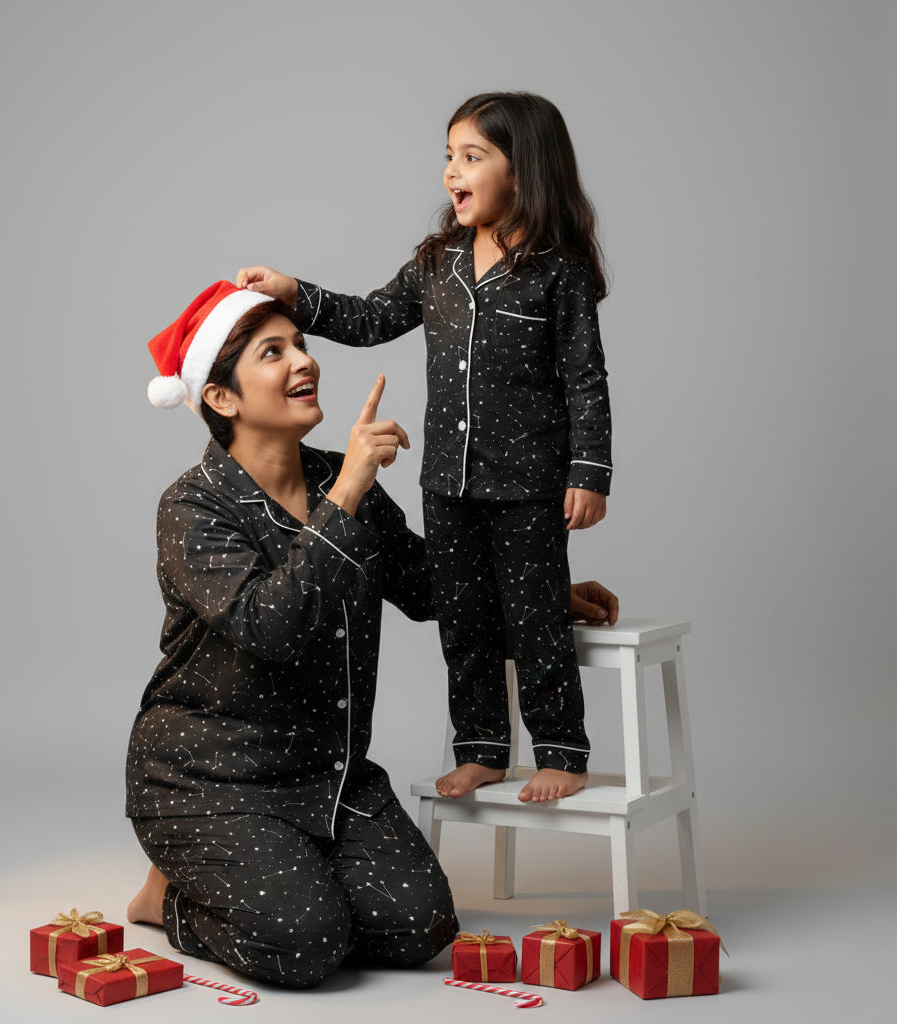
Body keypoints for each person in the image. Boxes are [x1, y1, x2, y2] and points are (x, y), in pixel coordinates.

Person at [127, 281, 619, 989]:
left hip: (328, 776)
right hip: (211, 781)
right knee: (305, 947)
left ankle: (283, 871)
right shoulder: (193, 507)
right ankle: (168, 896)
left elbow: (427, 586)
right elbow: (272, 625)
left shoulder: (330, 473)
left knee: (421, 926)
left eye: (300, 343)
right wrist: (350, 492)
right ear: (222, 398)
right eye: (274, 352)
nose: (303, 361)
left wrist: (539, 597)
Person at [237, 91, 612, 805]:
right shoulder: (438, 262)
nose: (452, 171)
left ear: (524, 170)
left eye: (472, 157)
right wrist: (296, 293)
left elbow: (584, 379)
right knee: (464, 619)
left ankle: (560, 749)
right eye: (449, 156)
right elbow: (373, 316)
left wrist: (589, 472)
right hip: (446, 482)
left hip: (529, 482)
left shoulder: (555, 272)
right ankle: (482, 749)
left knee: (534, 621)